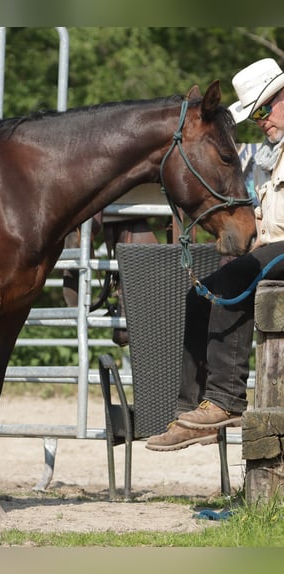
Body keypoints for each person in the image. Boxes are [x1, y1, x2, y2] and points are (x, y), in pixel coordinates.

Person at [146, 58, 284, 452]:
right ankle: (190, 412)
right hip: (274, 250)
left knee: (234, 280)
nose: (261, 120)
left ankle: (226, 400)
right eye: (254, 113)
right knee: (200, 294)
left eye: (265, 109)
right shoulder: (266, 155)